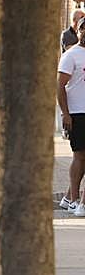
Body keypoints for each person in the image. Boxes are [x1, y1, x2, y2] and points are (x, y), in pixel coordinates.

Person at [59, 20, 85, 216]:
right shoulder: (71, 55)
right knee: (80, 156)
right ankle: (75, 200)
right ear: (79, 30)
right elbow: (60, 87)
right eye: (84, 28)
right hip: (76, 112)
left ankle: (70, 197)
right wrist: (66, 113)